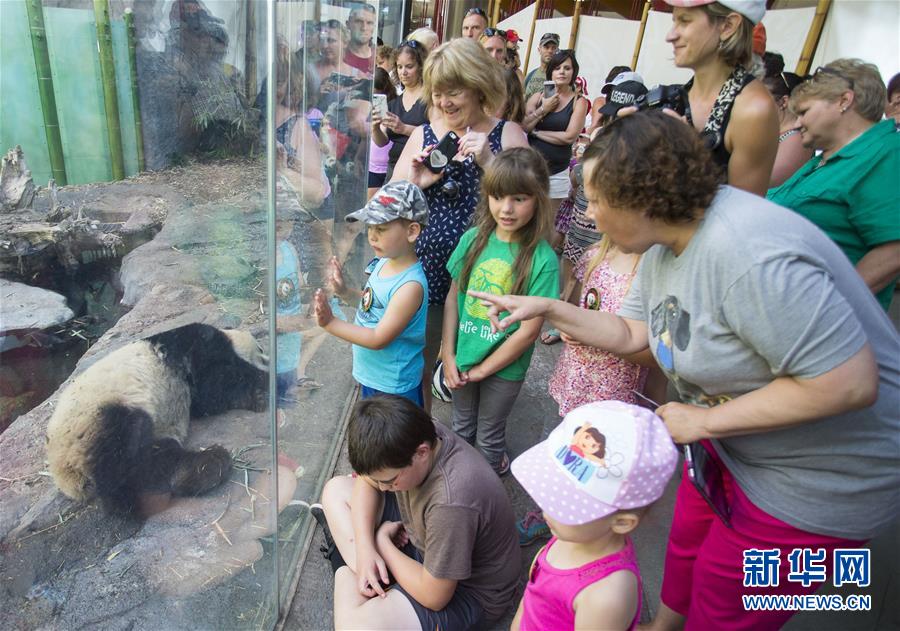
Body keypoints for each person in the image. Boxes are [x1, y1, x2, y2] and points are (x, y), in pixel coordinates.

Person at [470, 111, 900, 631]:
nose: (590, 214)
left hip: (817, 482)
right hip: (730, 445)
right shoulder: (665, 242)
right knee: (688, 550)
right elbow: (633, 334)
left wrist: (704, 421)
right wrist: (550, 309)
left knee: (726, 600)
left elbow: (847, 383)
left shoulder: (750, 255)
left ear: (642, 198)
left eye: (598, 200)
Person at [391, 38, 529, 412]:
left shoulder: (508, 134)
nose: (444, 102)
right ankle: (423, 429)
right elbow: (390, 208)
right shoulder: (423, 135)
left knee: (477, 372)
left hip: (488, 278)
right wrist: (416, 183)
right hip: (429, 273)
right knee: (419, 363)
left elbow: (531, 206)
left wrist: (490, 161)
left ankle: (472, 437)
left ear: (478, 87)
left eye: (454, 92)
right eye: (437, 93)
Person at [318, 395, 521, 630]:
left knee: (353, 626)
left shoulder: (451, 504)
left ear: (421, 453)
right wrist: (365, 548)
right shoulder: (416, 433)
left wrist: (382, 543)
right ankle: (374, 574)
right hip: (421, 537)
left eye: (389, 480)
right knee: (335, 490)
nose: (382, 488)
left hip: (467, 592)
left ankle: (349, 562)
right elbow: (367, 481)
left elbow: (434, 596)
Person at [520, 234, 656, 545]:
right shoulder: (595, 255)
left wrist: (598, 337)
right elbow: (576, 309)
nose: (588, 213)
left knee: (594, 468)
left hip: (614, 396)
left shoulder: (651, 273)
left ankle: (582, 528)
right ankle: (547, 513)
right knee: (558, 449)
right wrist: (568, 327)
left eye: (597, 207)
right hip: (574, 381)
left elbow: (655, 356)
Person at [510, 401, 678, 631]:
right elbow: (532, 597)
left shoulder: (605, 597)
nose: (545, 507)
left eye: (564, 504)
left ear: (622, 523)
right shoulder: (573, 534)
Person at [441, 147, 559, 474]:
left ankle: (486, 494)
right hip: (464, 357)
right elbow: (453, 298)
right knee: (461, 426)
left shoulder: (543, 260)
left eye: (519, 198)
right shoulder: (472, 240)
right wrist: (448, 354)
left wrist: (483, 370)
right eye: (497, 196)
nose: (506, 208)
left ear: (538, 199)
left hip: (505, 369)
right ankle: (460, 486)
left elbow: (528, 332)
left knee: (489, 437)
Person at [767, 59, 900, 311]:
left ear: (843, 101)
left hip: (822, 320)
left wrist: (828, 305)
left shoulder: (884, 154)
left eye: (804, 112)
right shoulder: (825, 159)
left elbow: (894, 249)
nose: (797, 123)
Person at [313, 181, 429, 406]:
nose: (372, 236)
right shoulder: (383, 262)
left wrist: (331, 323)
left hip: (394, 386)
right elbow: (372, 305)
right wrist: (345, 292)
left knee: (396, 431)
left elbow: (378, 338)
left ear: (412, 231)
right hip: (373, 376)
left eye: (381, 229)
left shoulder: (409, 287)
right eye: (370, 227)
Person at [662, 0, 778, 195]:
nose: (670, 36)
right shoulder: (676, 97)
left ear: (727, 26)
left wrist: (689, 154)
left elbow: (742, 209)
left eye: (685, 21)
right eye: (674, 21)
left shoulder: (753, 110)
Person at [523, 49, 589, 249]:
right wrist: (544, 109)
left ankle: (541, 262)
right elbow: (524, 126)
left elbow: (569, 136)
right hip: (530, 169)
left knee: (547, 224)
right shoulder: (537, 97)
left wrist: (537, 133)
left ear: (573, 72)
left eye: (567, 68)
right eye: (557, 68)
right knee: (526, 218)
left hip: (557, 171)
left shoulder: (579, 101)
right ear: (550, 71)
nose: (562, 72)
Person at [372, 39, 429, 180]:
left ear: (421, 67)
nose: (403, 72)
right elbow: (382, 142)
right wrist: (375, 128)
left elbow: (437, 134)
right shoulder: (394, 103)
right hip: (394, 169)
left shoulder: (431, 99)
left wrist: (404, 128)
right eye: (399, 67)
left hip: (421, 170)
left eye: (409, 66)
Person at [761, 71, 813, 187]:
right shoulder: (772, 131)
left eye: (761, 99)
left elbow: (768, 180)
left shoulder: (797, 139)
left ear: (783, 102)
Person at [367, 69, 397, 197]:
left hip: (389, 165)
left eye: (374, 90)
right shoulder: (371, 105)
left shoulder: (395, 105)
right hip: (372, 165)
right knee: (371, 205)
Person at [524, 32, 559, 102]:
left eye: (553, 48)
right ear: (539, 49)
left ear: (557, 51)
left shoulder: (560, 77)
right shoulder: (530, 75)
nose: (550, 51)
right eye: (546, 47)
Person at [344, 3, 376, 76]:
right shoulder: (339, 54)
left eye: (369, 23)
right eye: (358, 21)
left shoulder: (379, 57)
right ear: (348, 24)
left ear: (374, 27)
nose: (364, 28)